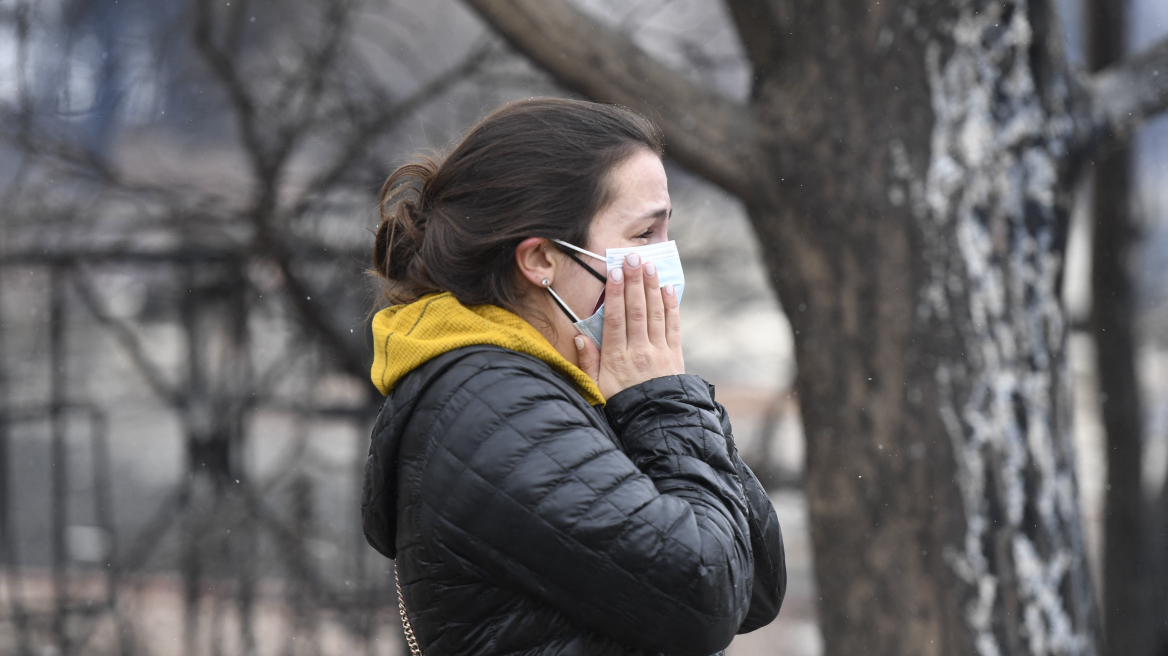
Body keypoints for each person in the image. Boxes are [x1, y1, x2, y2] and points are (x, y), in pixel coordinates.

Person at [361, 98, 785, 656]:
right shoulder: (493, 404)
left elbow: (755, 586)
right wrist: (660, 401)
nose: (665, 258)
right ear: (539, 259)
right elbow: (705, 596)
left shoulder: (568, 384)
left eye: (667, 231)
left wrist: (642, 401)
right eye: (643, 235)